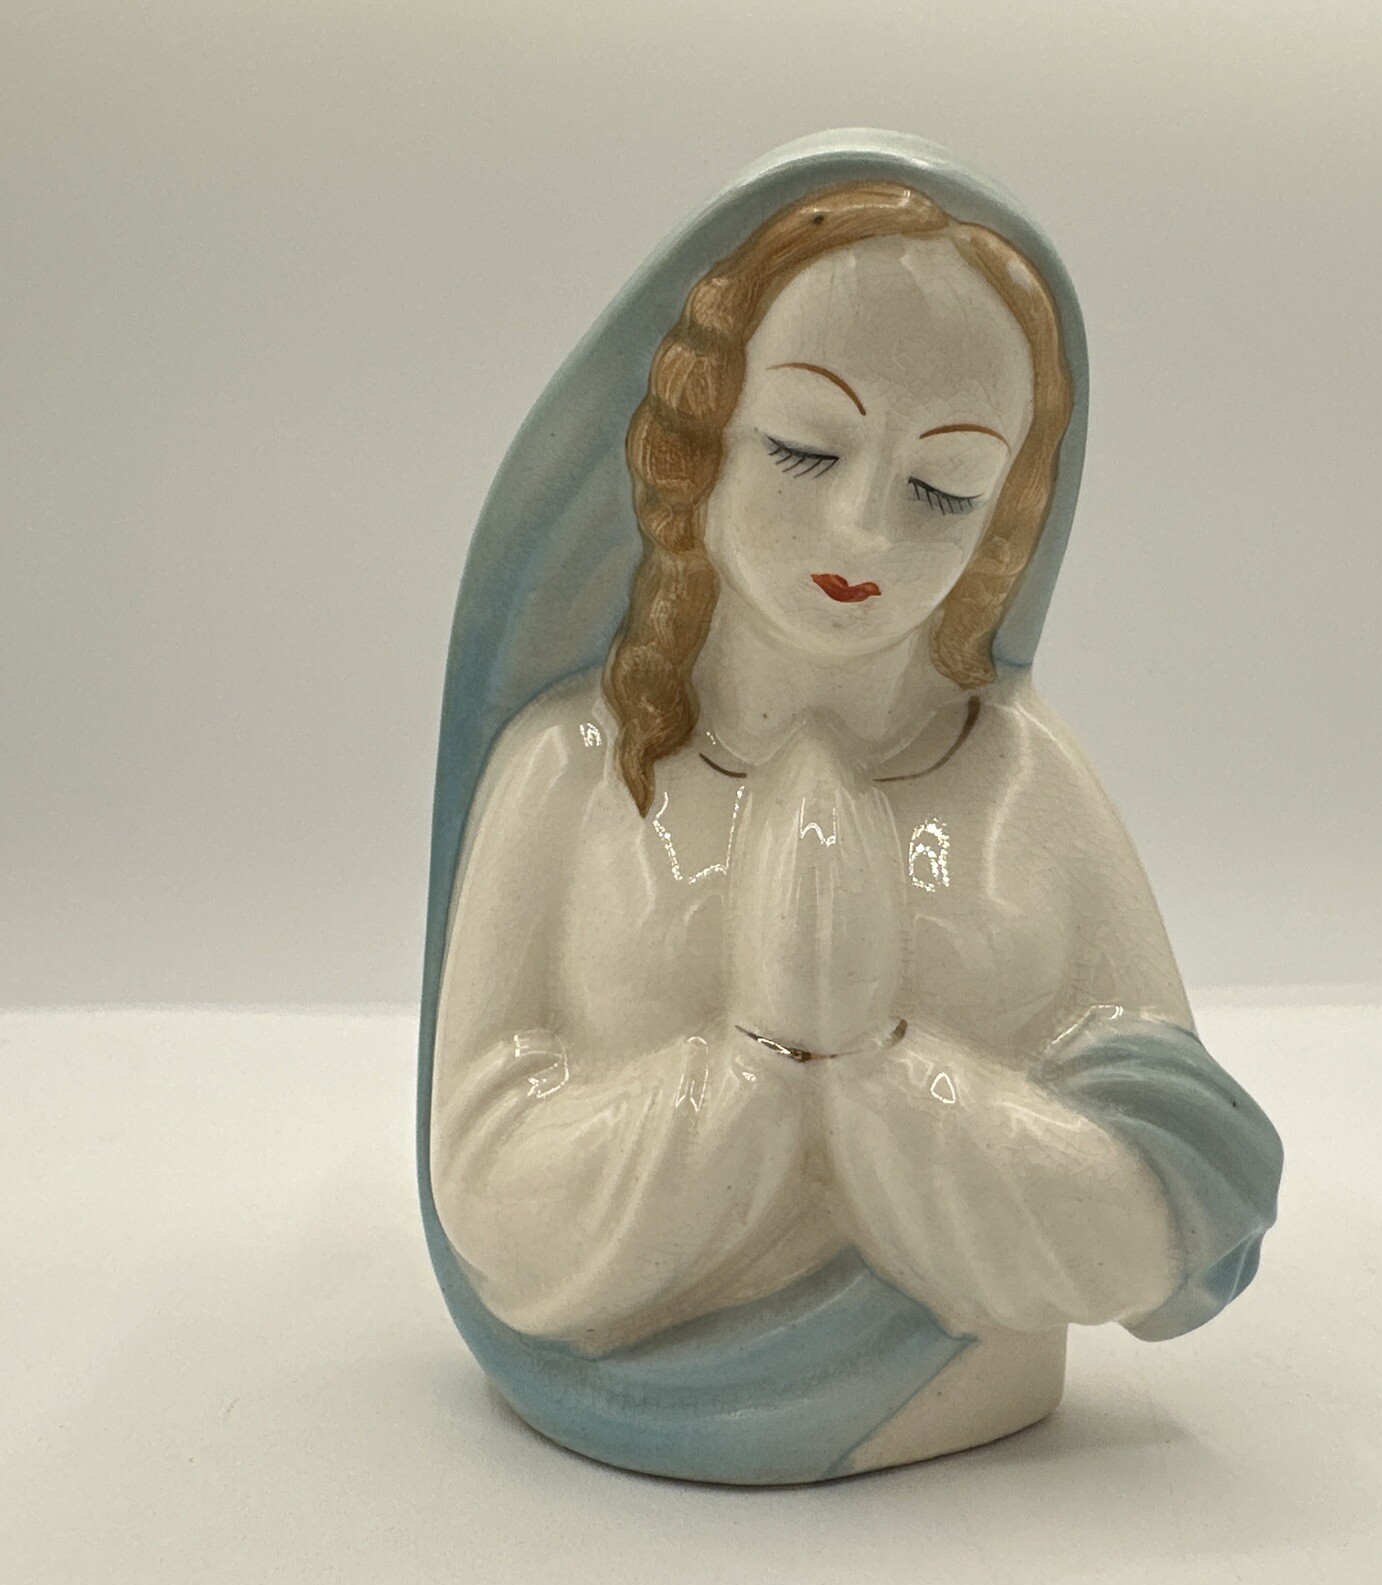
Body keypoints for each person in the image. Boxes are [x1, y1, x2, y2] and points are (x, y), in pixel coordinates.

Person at [421, 136, 1282, 1485]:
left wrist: (884, 1081)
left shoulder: (1023, 784)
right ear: (700, 437)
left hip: (981, 1396)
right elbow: (483, 1195)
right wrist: (755, 1082)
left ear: (1007, 521)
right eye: (805, 449)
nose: (866, 534)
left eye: (943, 487)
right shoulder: (570, 775)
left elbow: (1190, 1207)